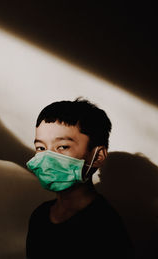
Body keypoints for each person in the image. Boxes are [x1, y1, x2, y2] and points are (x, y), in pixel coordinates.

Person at [25, 98, 134, 259]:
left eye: (62, 147)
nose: (47, 158)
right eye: (41, 148)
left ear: (97, 157)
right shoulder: (39, 215)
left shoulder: (105, 228)